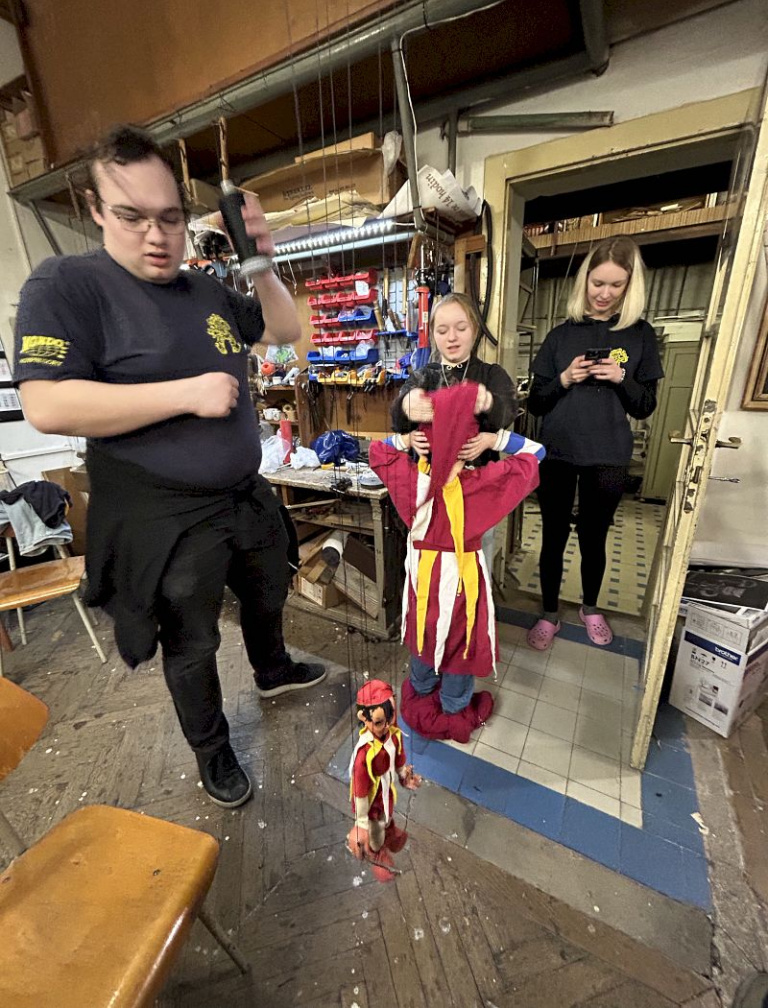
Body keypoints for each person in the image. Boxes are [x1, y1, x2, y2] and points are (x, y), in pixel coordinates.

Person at [13, 124, 326, 809]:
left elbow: (283, 330)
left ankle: (272, 670)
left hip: (243, 493)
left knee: (270, 587)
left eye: (170, 218)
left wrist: (262, 262)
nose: (156, 237)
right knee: (192, 642)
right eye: (132, 217)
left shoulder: (203, 290)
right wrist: (186, 394)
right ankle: (213, 751)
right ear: (96, 209)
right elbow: (46, 403)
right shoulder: (68, 285)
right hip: (165, 517)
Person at [370, 383, 544, 743]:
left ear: (426, 441)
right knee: (461, 640)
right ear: (469, 444)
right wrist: (493, 440)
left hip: (422, 576)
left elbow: (377, 451)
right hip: (463, 580)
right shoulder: (481, 485)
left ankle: (421, 690)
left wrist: (407, 440)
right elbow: (537, 452)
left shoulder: (409, 479)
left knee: (425, 630)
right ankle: (453, 706)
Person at [525, 236, 663, 652]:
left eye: (616, 285)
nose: (604, 293)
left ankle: (590, 608)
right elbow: (536, 402)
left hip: (609, 455)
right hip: (558, 452)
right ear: (584, 280)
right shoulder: (560, 335)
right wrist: (565, 378)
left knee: (594, 537)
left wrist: (621, 378)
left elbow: (645, 406)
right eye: (597, 283)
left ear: (629, 286)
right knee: (552, 536)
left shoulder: (639, 335)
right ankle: (549, 612)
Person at [391, 292, 517, 568]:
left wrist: (489, 403)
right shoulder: (423, 376)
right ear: (433, 335)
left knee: (476, 559)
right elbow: (397, 423)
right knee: (433, 560)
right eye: (442, 330)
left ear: (475, 329)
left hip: (478, 490)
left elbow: (507, 412)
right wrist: (406, 407)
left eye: (461, 328)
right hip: (429, 490)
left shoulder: (491, 375)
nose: (452, 337)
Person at [347, 679, 422, 883]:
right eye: (380, 722)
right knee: (375, 829)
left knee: (387, 814)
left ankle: (389, 831)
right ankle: (376, 853)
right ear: (364, 718)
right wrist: (361, 823)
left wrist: (404, 776)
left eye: (390, 717)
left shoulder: (393, 735)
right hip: (371, 802)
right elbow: (360, 793)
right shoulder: (364, 754)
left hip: (386, 791)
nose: (387, 726)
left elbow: (398, 758)